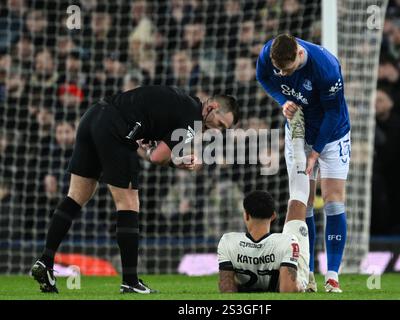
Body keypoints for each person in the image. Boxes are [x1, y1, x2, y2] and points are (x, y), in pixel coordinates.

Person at [31, 85, 239, 294]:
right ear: (211, 107)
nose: (216, 130)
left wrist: (150, 144)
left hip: (93, 116)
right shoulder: (191, 120)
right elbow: (158, 157)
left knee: (76, 196)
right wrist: (177, 163)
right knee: (129, 203)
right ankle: (130, 281)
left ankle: (45, 261)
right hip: (115, 129)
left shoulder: (181, 99)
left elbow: (146, 128)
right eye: (220, 124)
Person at [256, 33, 351, 293]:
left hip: (332, 137)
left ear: (299, 54)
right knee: (302, 200)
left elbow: (333, 113)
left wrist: (316, 152)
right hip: (297, 132)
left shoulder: (326, 68)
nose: (283, 75)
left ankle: (332, 276)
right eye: (280, 70)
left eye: (288, 70)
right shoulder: (269, 52)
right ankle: (306, 272)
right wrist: (282, 100)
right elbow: (263, 77)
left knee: (333, 200)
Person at [217, 190, 309, 293]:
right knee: (297, 205)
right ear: (273, 216)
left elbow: (226, 287)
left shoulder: (228, 241)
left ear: (246, 215)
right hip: (291, 268)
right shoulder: (288, 242)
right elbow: (288, 289)